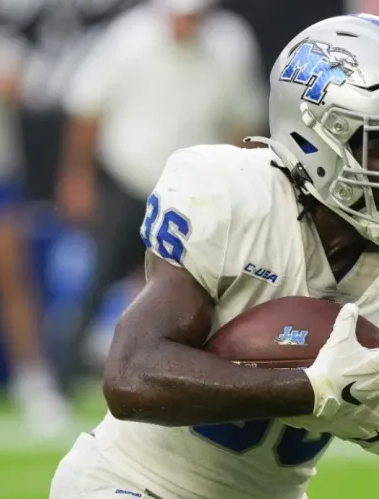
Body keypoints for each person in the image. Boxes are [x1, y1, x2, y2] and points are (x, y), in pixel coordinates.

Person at [47, 14, 379, 499]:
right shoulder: (231, 197)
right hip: (135, 490)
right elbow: (131, 376)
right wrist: (311, 388)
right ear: (315, 140)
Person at [56, 0, 266, 391]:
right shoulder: (128, 36)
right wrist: (77, 178)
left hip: (197, 193)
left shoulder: (231, 42)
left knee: (197, 290)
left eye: (193, 18)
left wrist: (243, 188)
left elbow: (243, 122)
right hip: (128, 179)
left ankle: (195, 381)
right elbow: (87, 108)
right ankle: (59, 381)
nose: (185, 26)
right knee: (96, 284)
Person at [0, 12, 72, 436]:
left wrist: (13, 87)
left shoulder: (3, 51)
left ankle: (33, 383)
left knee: (12, 280)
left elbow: (34, 95)